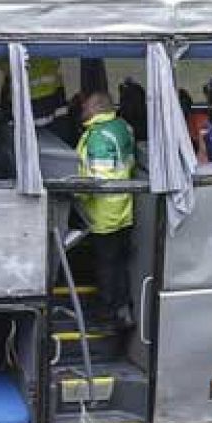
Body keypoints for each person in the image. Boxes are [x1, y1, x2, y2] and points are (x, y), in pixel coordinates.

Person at [76, 91, 136, 326]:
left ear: (96, 109)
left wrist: (75, 195)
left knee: (106, 264)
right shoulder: (122, 126)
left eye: (85, 107)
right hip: (124, 205)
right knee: (119, 263)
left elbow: (98, 179)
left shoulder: (98, 136)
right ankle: (121, 309)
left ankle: (107, 313)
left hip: (104, 210)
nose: (82, 111)